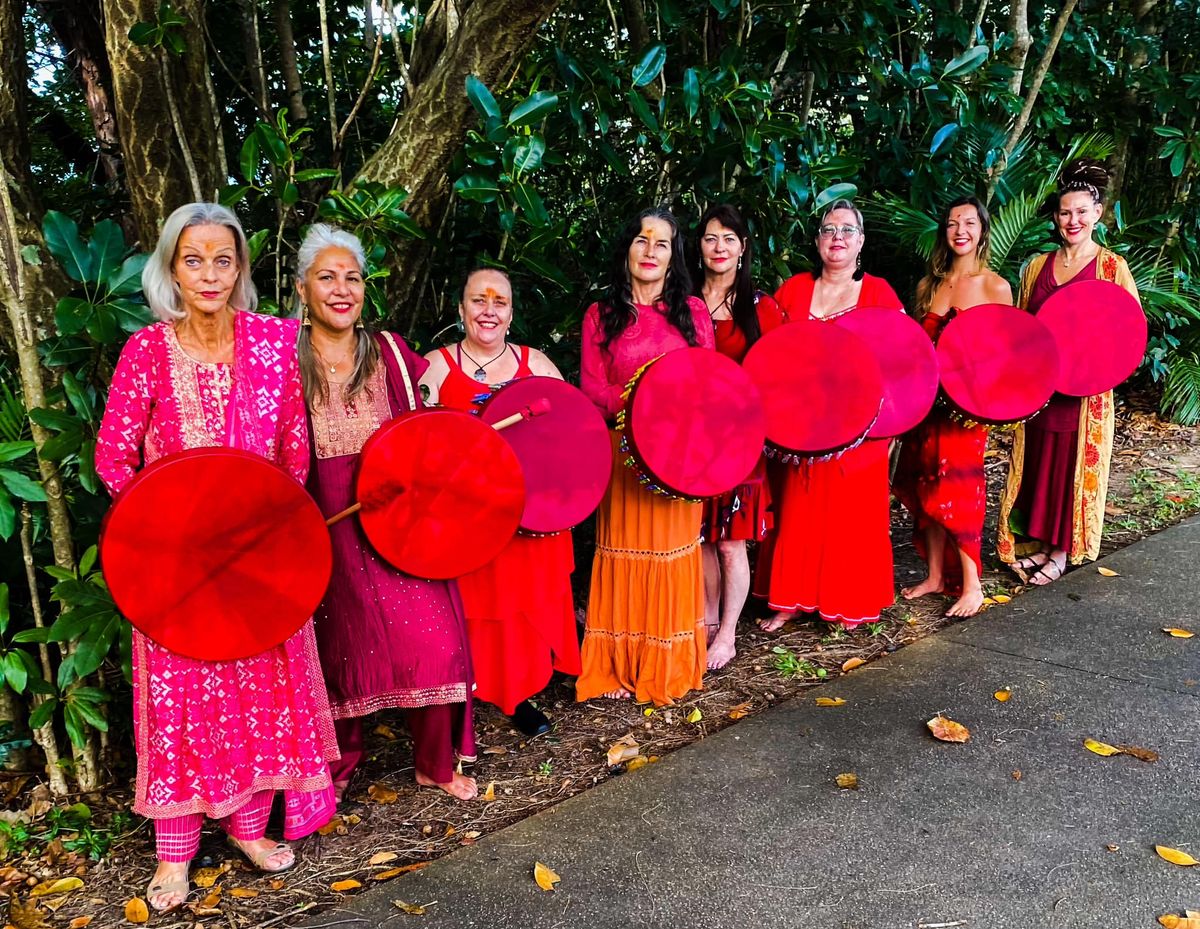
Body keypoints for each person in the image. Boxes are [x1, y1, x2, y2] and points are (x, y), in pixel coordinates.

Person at [95, 203, 338, 912]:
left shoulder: (273, 341)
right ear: (171, 268)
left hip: (260, 559)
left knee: (260, 693)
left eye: (223, 259)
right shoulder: (146, 351)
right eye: (193, 259)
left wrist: (266, 527)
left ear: (241, 269)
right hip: (175, 567)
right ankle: (175, 856)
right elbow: (114, 456)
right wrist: (168, 524)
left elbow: (295, 447)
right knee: (181, 701)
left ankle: (248, 828)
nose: (209, 274)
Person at [296, 224, 477, 801]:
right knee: (342, 643)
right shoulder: (280, 359)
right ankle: (337, 770)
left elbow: (432, 429)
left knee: (436, 637)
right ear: (302, 290)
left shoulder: (395, 353)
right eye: (327, 277)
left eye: (352, 277)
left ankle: (434, 763)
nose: (341, 289)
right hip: (323, 515)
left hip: (398, 515)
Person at [419, 267, 579, 736]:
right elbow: (418, 443)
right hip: (465, 513)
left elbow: (569, 439)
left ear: (511, 313)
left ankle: (517, 694)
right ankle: (461, 696)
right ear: (462, 308)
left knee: (520, 602)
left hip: (527, 513)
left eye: (499, 302)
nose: (488, 310)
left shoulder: (539, 364)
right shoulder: (435, 366)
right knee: (468, 605)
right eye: (478, 300)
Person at [576, 206, 715, 705]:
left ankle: (667, 666)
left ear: (674, 255)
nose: (650, 250)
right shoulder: (600, 314)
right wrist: (647, 394)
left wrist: (663, 400)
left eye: (662, 243)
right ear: (627, 250)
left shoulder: (693, 312)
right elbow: (593, 391)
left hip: (680, 455)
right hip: (623, 451)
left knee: (674, 554)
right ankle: (616, 665)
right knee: (623, 551)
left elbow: (708, 384)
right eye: (641, 240)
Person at [755, 199, 902, 630]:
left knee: (850, 514)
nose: (837, 238)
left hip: (860, 428)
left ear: (861, 242)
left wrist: (890, 425)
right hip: (802, 425)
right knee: (797, 509)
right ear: (817, 239)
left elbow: (901, 363)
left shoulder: (878, 293)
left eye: (847, 230)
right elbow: (771, 358)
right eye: (828, 229)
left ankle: (845, 598)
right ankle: (790, 598)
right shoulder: (795, 290)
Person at [997, 160, 1141, 584]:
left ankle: (1061, 550)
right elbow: (1023, 326)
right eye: (1065, 213)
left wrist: (1097, 369)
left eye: (1081, 211)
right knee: (1039, 462)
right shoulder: (1037, 267)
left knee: (1068, 464)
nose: (1072, 220)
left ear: (1097, 213)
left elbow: (1128, 332)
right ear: (1056, 218)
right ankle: (1037, 542)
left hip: (1084, 390)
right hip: (1042, 387)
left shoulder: (1112, 268)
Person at [893, 196, 1013, 616]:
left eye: (969, 222)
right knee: (927, 484)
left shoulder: (995, 286)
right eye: (951, 223)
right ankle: (935, 576)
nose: (960, 229)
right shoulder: (933, 284)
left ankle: (972, 584)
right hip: (927, 405)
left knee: (959, 490)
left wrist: (982, 399)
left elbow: (1004, 356)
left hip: (966, 409)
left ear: (982, 230)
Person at [693, 204, 785, 669]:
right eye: (711, 238)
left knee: (731, 539)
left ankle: (728, 633)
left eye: (729, 239)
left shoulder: (760, 307)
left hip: (741, 440)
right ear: (700, 246)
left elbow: (780, 373)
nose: (719, 248)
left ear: (743, 248)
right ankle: (707, 622)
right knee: (702, 535)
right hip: (691, 439)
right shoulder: (683, 301)